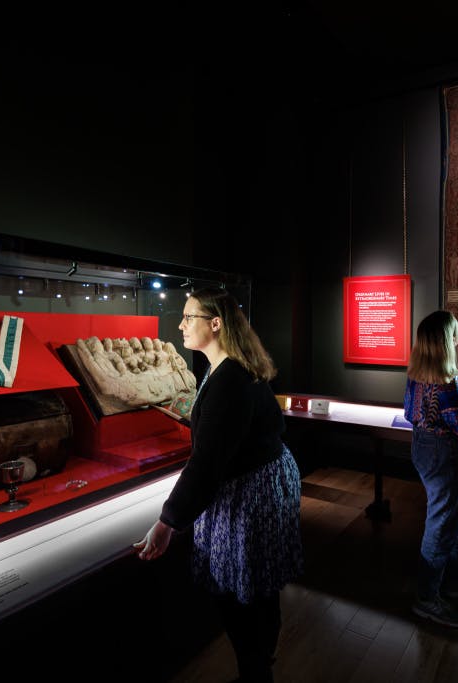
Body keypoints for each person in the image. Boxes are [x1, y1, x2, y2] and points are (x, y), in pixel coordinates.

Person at [133, 287, 303, 682]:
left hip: (249, 492)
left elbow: (207, 465)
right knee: (259, 584)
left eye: (188, 317)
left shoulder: (229, 379)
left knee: (239, 590)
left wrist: (166, 523)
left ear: (215, 324)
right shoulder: (231, 366)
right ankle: (260, 662)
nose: (180, 325)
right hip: (264, 480)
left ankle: (255, 670)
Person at [404, 310, 458, 628]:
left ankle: (457, 578)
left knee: (453, 517)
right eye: (456, 330)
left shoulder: (416, 376)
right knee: (441, 524)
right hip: (442, 453)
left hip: (422, 447)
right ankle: (427, 597)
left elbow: (410, 413)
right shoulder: (446, 384)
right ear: (446, 341)